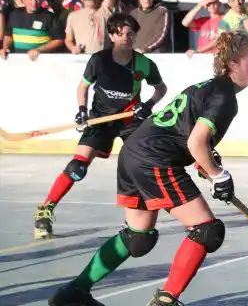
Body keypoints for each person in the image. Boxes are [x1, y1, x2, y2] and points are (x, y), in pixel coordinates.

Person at [46, 31, 248, 306]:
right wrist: (218, 175)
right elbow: (195, 141)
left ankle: (75, 291)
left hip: (135, 152)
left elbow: (189, 138)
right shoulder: (225, 98)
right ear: (231, 64)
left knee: (138, 237)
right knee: (207, 230)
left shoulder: (207, 87)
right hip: (155, 160)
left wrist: (208, 163)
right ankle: (165, 305)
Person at [34, 14, 168, 239]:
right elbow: (83, 87)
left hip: (130, 120)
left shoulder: (144, 63)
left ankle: (153, 215)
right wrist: (81, 110)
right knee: (77, 167)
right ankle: (46, 209)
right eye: (120, 33)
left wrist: (148, 105)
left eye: (130, 34)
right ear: (112, 35)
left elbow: (161, 88)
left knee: (145, 164)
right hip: (100, 119)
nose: (126, 37)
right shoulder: (99, 60)